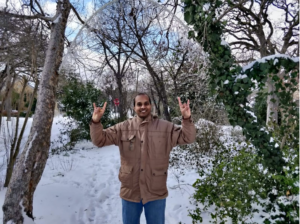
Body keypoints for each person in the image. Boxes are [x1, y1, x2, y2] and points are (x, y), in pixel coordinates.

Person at [90, 93, 196, 224]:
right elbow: (99, 140)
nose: (143, 107)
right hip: (130, 192)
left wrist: (187, 119)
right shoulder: (123, 128)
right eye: (139, 104)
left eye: (146, 103)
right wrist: (96, 122)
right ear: (134, 107)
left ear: (151, 105)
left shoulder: (165, 128)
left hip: (156, 192)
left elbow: (188, 137)